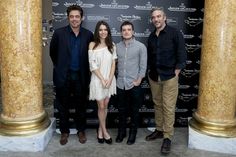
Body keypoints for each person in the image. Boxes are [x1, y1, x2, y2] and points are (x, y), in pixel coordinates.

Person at [50, 5, 93, 145]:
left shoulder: (88, 35)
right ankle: (64, 132)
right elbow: (53, 53)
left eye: (77, 16)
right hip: (63, 76)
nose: (74, 19)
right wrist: (61, 67)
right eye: (72, 16)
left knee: (81, 106)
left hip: (81, 77)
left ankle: (81, 131)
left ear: (82, 18)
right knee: (63, 106)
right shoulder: (59, 33)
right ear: (68, 18)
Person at [145, 8, 186, 154]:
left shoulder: (175, 33)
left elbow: (182, 53)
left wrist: (177, 71)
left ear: (164, 17)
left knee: (168, 107)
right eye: (154, 17)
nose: (156, 19)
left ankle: (167, 137)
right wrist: (149, 72)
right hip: (155, 77)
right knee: (157, 104)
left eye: (159, 16)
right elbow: (150, 57)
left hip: (169, 77)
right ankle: (159, 130)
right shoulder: (151, 36)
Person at [116, 21, 147, 145]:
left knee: (134, 111)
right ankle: (121, 132)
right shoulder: (117, 46)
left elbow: (143, 66)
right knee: (121, 110)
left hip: (134, 84)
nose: (126, 32)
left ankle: (133, 133)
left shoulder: (141, 47)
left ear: (133, 32)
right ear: (121, 32)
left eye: (129, 29)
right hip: (120, 84)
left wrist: (139, 80)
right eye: (124, 30)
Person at [88, 21, 117, 144]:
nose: (103, 32)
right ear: (97, 31)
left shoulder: (112, 45)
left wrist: (109, 79)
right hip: (98, 80)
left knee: (105, 106)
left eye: (105, 29)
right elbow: (92, 65)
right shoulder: (92, 45)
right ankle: (105, 132)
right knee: (101, 106)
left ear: (108, 31)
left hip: (109, 80)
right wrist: (102, 79)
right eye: (100, 30)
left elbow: (113, 64)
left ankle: (100, 130)